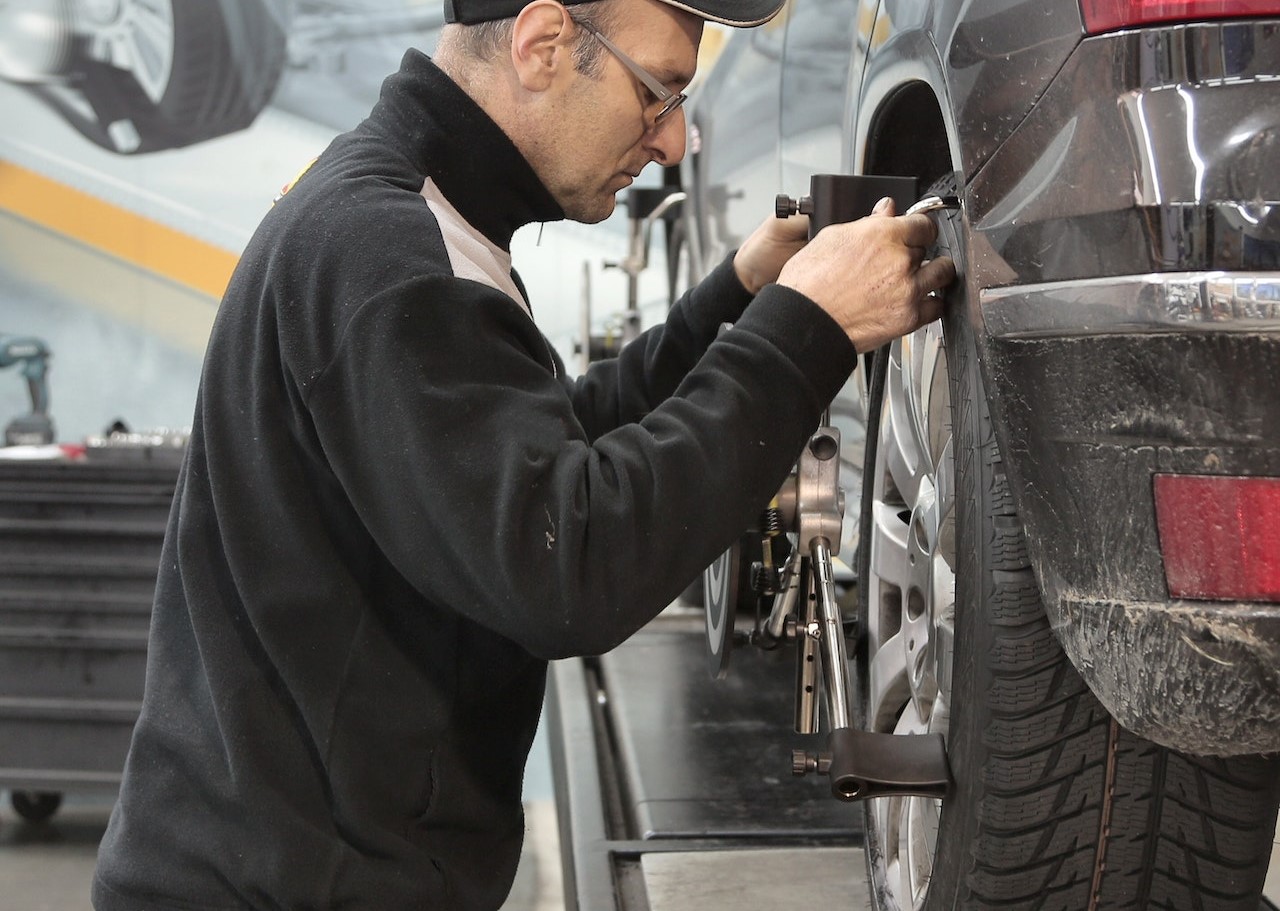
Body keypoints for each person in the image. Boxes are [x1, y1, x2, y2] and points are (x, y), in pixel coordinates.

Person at [91, 0, 955, 907]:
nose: (676, 143)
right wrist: (806, 333)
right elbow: (567, 560)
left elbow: (545, 448)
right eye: (659, 93)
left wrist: (737, 299)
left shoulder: (416, 214)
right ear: (543, 45)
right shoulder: (385, 256)